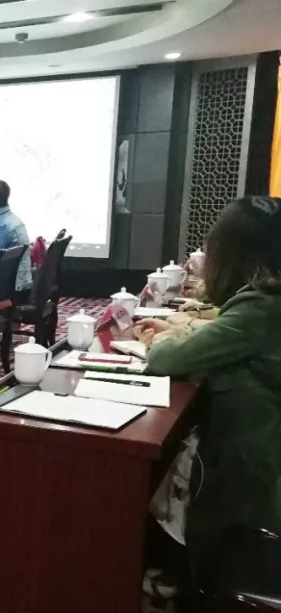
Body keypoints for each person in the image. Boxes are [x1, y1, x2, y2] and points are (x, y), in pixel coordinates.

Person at [135, 196, 281, 597]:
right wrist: (190, 333)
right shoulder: (268, 302)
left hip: (259, 480)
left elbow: (166, 359)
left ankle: (183, 577)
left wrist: (162, 340)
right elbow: (226, 336)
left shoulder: (262, 306)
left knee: (164, 464)